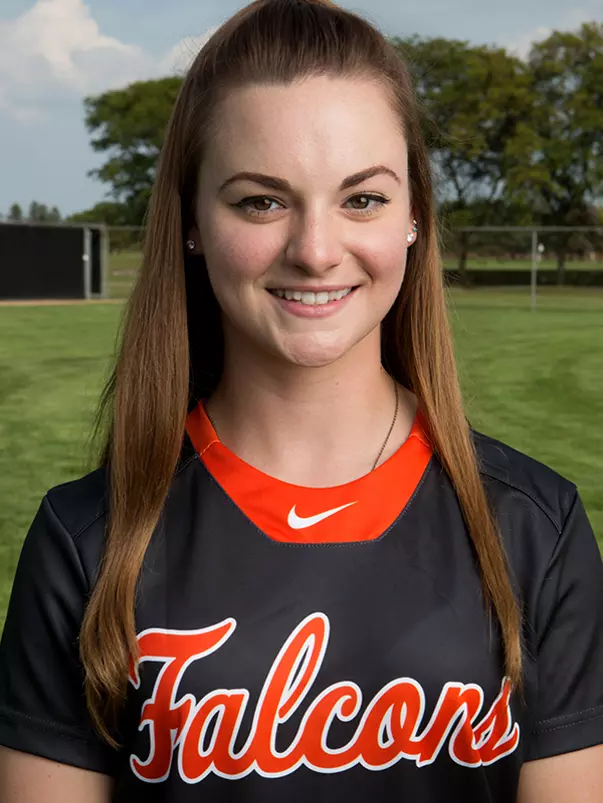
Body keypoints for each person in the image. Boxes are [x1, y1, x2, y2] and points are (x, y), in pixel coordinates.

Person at [1, 0, 602, 800]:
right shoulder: (87, 542)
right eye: (261, 200)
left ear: (414, 215)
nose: (316, 251)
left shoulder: (534, 527)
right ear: (191, 221)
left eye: (362, 199)